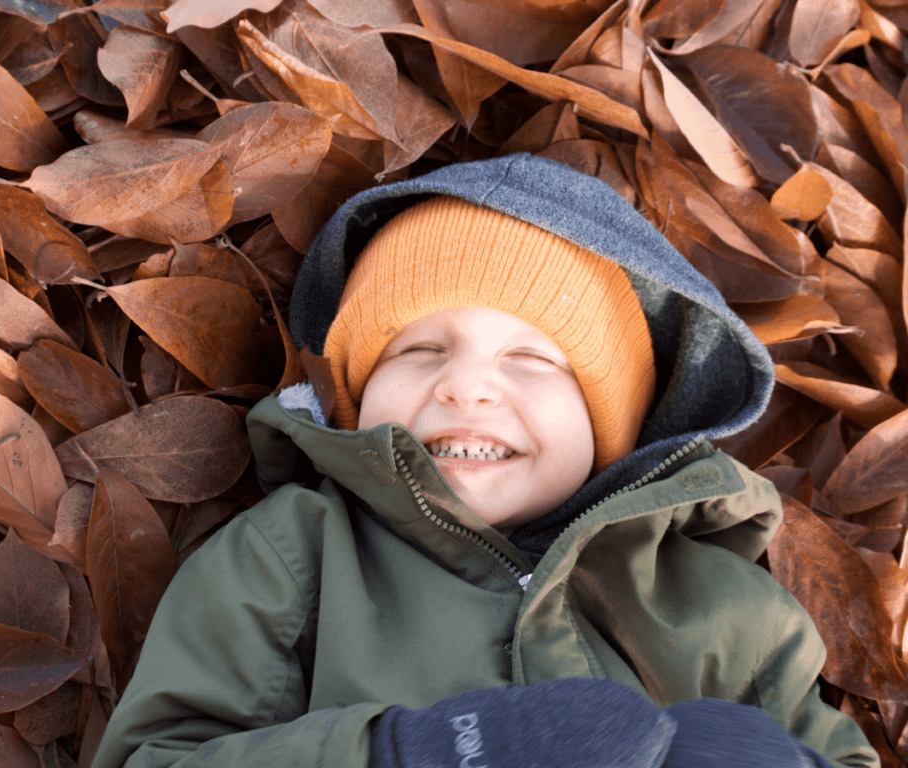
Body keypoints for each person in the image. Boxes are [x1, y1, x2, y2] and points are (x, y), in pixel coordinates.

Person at [91, 153, 880, 768]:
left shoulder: (722, 606)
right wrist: (410, 754)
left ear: (617, 427)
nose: (465, 385)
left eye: (534, 362)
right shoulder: (292, 556)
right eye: (419, 348)